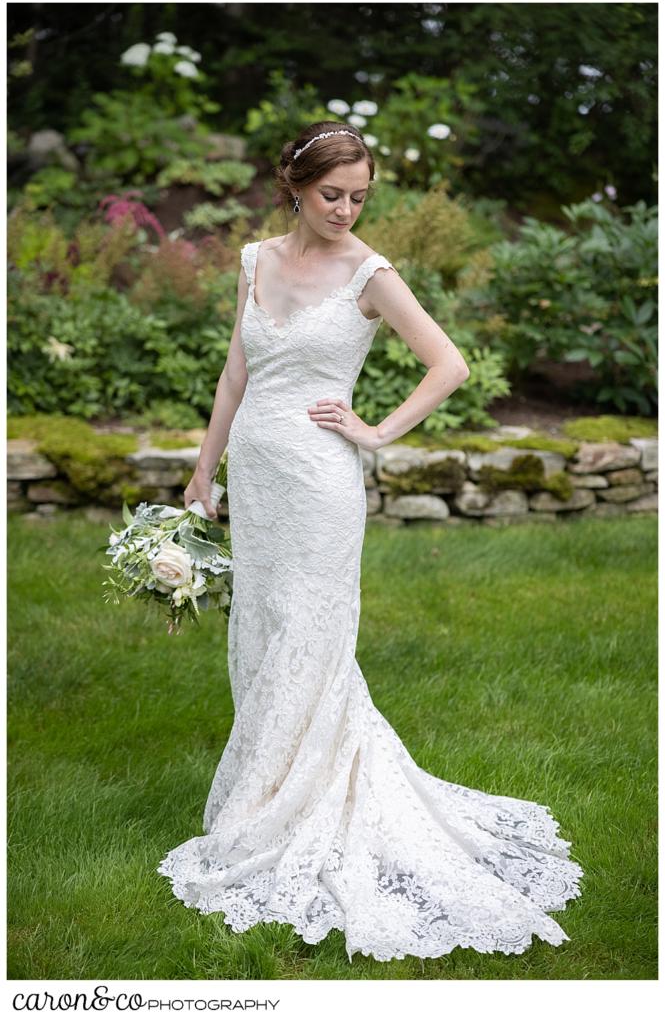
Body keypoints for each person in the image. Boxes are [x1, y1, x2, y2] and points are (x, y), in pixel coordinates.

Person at [157, 122, 584, 963]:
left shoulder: (369, 272)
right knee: (263, 629)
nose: (346, 209)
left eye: (359, 196)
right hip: (258, 478)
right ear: (293, 183)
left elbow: (448, 362)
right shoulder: (254, 261)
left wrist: (376, 430)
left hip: (319, 483)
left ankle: (299, 801)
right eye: (331, 195)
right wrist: (204, 470)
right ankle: (267, 784)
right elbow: (236, 373)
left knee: (310, 632)